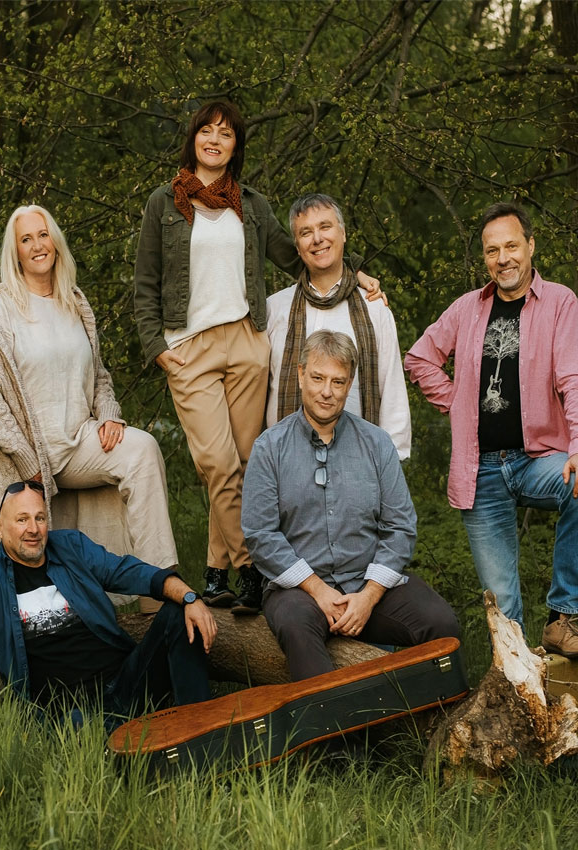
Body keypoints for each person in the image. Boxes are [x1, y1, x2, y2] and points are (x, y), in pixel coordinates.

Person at [133, 100, 383, 616]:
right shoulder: (164, 202)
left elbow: (298, 256)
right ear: (193, 139)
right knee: (217, 464)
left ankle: (215, 573)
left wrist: (353, 271)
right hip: (189, 347)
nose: (215, 140)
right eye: (207, 130)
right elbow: (146, 281)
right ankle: (253, 570)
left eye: (226, 133)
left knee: (246, 464)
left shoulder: (251, 204)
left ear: (235, 146)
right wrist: (156, 347)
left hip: (247, 342)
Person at [0, 205, 179, 615]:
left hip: (79, 441)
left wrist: (109, 412)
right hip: (29, 453)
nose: (37, 245)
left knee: (143, 450)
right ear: (16, 252)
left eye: (43, 235)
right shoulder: (1, 308)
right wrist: (26, 458)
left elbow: (98, 374)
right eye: (26, 239)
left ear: (55, 242)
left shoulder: (74, 301)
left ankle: (159, 596)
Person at [405, 202, 578, 655]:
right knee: (504, 611)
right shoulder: (467, 309)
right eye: (492, 250)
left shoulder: (560, 303)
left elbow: (572, 378)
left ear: (531, 246)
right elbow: (420, 358)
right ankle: (518, 682)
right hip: (480, 471)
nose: (503, 258)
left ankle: (564, 615)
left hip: (540, 459)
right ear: (484, 257)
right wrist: (457, 402)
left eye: (511, 246)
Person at [241, 330, 459, 681]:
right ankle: (333, 717)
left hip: (368, 581)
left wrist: (369, 596)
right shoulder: (269, 448)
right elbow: (260, 535)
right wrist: (317, 589)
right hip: (299, 590)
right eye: (318, 378)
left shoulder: (377, 443)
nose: (326, 391)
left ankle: (434, 711)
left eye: (338, 381)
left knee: (441, 623)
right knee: (297, 627)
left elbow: (400, 526)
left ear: (350, 383)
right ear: (300, 375)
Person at [0, 481, 216, 721]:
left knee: (177, 613)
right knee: (78, 723)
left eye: (40, 518)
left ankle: (200, 726)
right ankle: (134, 731)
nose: (33, 529)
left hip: (124, 685)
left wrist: (189, 597)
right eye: (22, 520)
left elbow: (127, 571)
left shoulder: (71, 547)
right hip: (67, 713)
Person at [266, 193, 410, 459]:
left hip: (359, 461)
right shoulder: (275, 309)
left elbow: (392, 390)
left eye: (325, 227)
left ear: (343, 234)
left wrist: (394, 458)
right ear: (297, 246)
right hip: (285, 462)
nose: (317, 239)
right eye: (306, 232)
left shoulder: (374, 308)